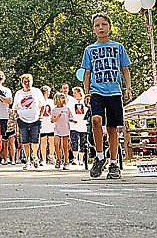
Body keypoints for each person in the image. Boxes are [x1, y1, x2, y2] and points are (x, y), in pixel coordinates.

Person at [82, 12, 131, 180]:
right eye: (97, 25)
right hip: (97, 91)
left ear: (109, 27)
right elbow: (87, 73)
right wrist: (87, 92)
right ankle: (100, 156)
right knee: (96, 119)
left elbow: (125, 68)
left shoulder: (118, 47)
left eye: (104, 24)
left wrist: (128, 87)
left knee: (112, 128)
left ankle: (113, 162)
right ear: (93, 29)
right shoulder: (89, 50)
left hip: (114, 91)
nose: (101, 27)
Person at [12, 74, 43, 170]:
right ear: (22, 83)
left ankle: (34, 156)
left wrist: (40, 116)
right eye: (25, 82)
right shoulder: (19, 93)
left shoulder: (36, 91)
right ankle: (27, 160)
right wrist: (16, 115)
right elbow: (14, 107)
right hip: (22, 119)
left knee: (35, 140)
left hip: (35, 119)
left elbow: (42, 105)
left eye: (28, 81)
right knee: (25, 141)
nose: (27, 83)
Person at [51, 92, 75, 170]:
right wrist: (57, 118)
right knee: (56, 144)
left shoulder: (66, 109)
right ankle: (58, 159)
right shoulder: (54, 110)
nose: (63, 99)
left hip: (65, 129)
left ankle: (66, 161)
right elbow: (52, 120)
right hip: (57, 129)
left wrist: (72, 120)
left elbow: (70, 117)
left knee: (65, 146)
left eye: (64, 98)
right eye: (62, 98)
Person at [68, 86, 89, 166]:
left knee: (83, 143)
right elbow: (68, 111)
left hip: (84, 125)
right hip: (74, 125)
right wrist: (70, 119)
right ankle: (75, 158)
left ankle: (81, 159)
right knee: (74, 141)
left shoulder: (85, 101)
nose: (74, 95)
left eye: (75, 93)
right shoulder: (71, 101)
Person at [38, 85, 55, 166]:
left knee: (52, 142)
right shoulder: (39, 101)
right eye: (47, 91)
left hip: (51, 125)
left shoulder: (51, 101)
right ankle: (43, 159)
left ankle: (51, 156)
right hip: (42, 125)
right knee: (43, 142)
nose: (49, 93)